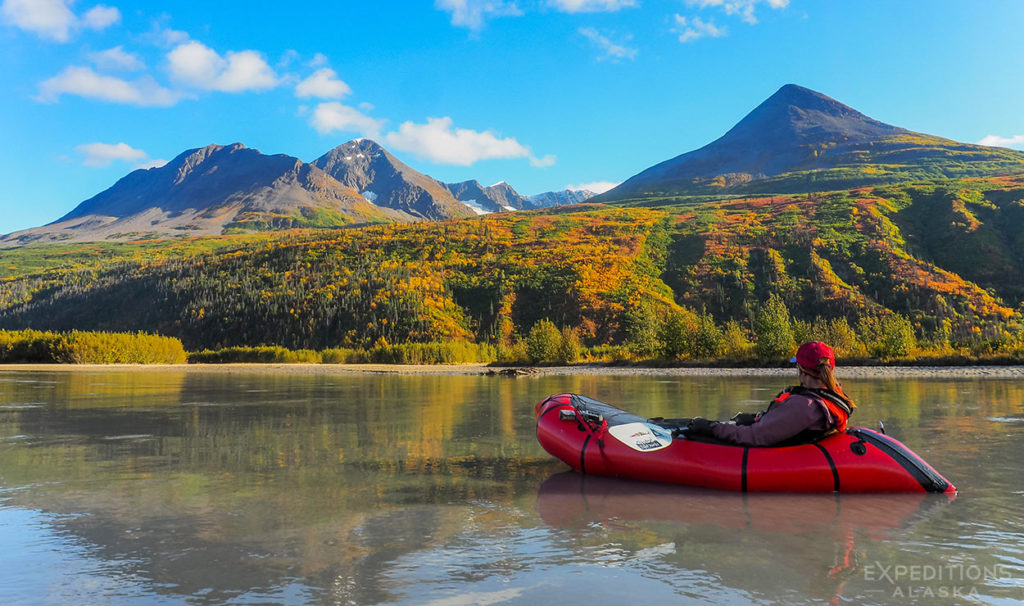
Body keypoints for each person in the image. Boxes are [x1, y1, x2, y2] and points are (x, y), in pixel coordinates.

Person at [687, 341, 856, 447]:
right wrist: (757, 418)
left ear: (802, 371)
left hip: (779, 457)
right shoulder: (835, 396)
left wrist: (711, 428)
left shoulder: (805, 406)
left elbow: (753, 437)